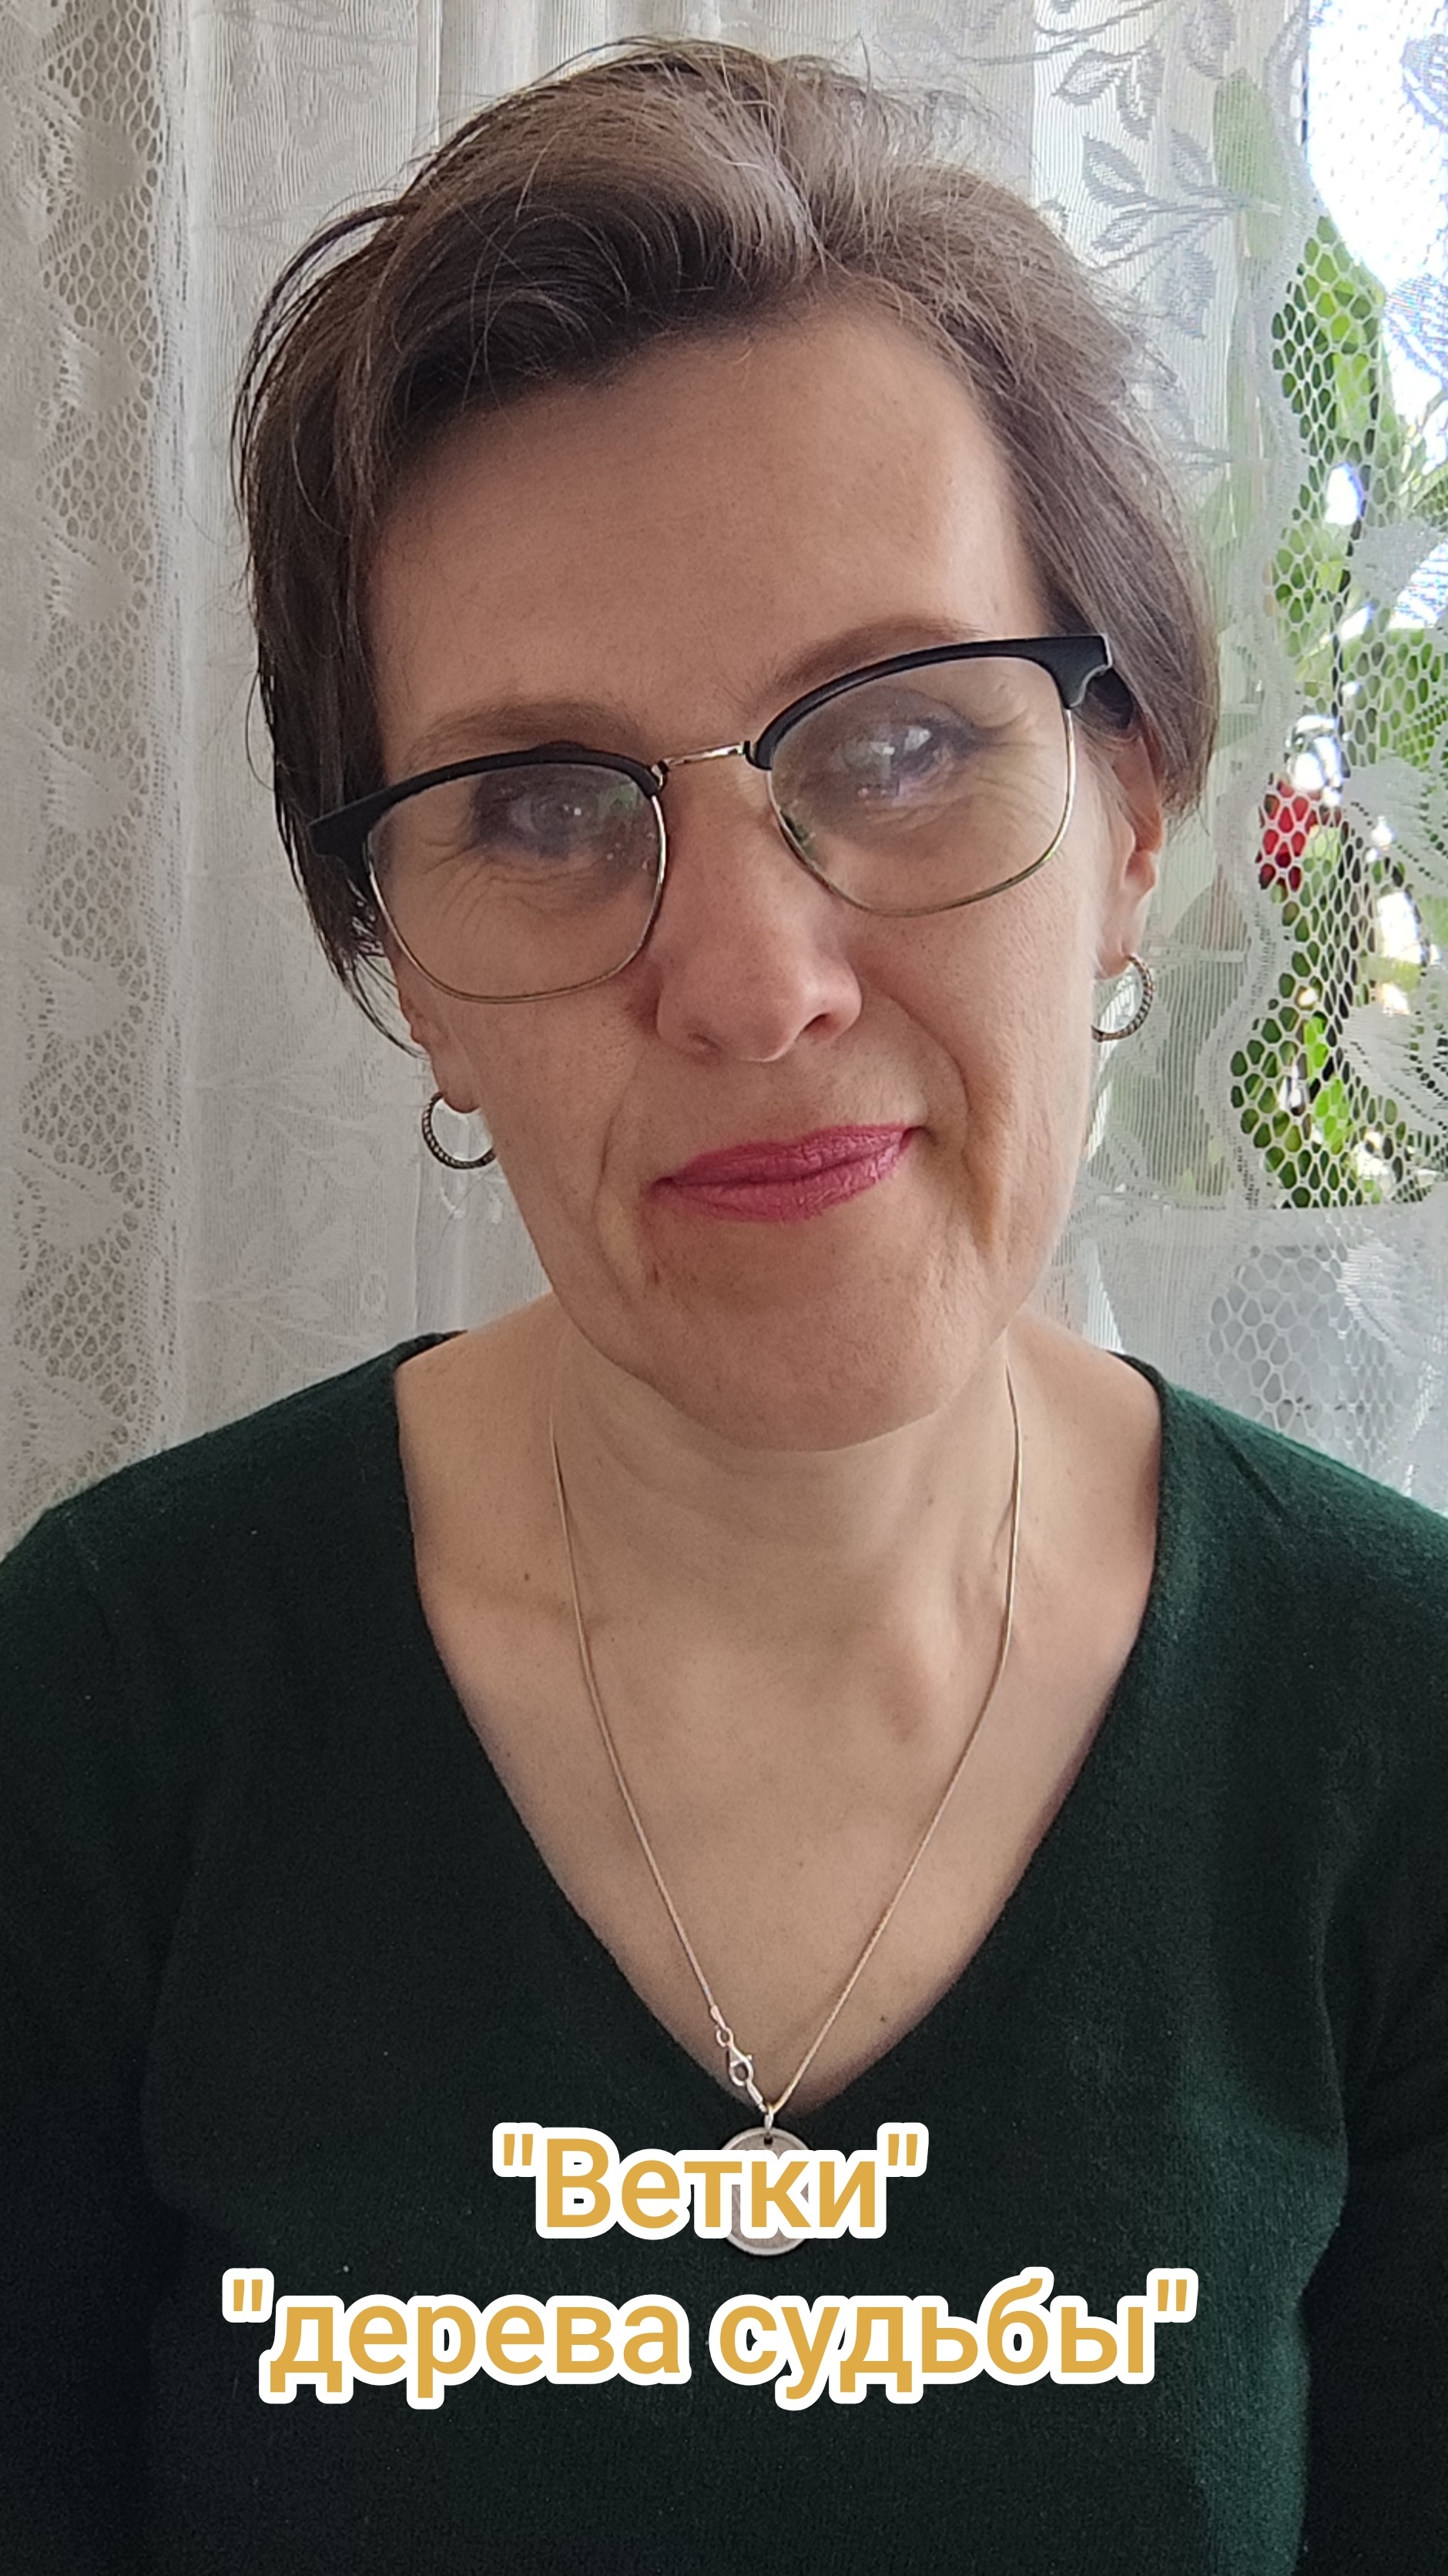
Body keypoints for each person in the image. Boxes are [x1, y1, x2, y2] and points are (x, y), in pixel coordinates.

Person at [2, 38, 1445, 2576]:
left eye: (900, 741)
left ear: (1131, 819)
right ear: (409, 974)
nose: (757, 981)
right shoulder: (116, 1706)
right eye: (544, 806)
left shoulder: (1395, 1732)